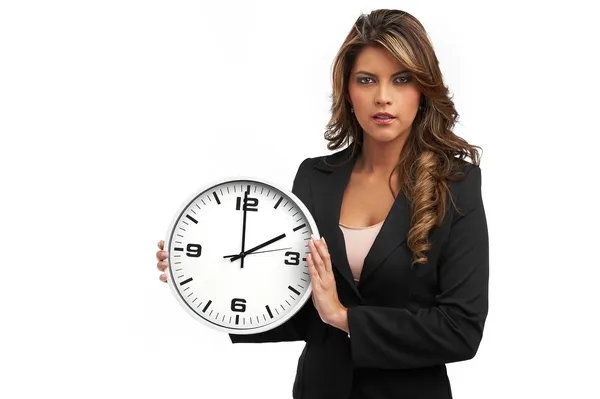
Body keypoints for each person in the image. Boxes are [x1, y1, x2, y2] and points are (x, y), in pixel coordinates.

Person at [155, 9, 488, 399]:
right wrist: (205, 275)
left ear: (422, 90)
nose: (383, 97)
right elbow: (300, 309)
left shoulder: (457, 184)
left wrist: (344, 318)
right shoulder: (315, 177)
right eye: (367, 80)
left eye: (401, 79)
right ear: (348, 91)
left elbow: (460, 330)